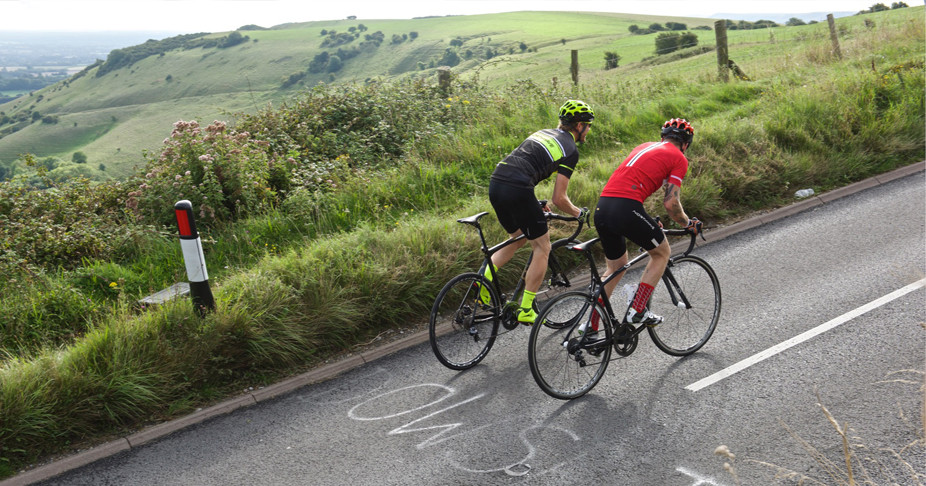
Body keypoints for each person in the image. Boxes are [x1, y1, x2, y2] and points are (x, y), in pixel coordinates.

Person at [482, 100, 594, 325]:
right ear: (579, 126)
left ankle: (482, 282)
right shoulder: (570, 149)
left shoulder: (542, 133)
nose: (588, 130)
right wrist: (578, 213)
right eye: (588, 125)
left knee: (517, 238)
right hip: (519, 188)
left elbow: (522, 167)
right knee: (542, 246)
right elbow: (559, 199)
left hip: (497, 183)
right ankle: (525, 309)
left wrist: (534, 201)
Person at [593, 118, 699, 328]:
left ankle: (590, 326)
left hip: (602, 207)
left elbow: (632, 185)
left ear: (662, 137)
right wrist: (688, 223)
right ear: (685, 145)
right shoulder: (679, 158)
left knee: (615, 268)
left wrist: (648, 222)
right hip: (626, 208)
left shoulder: (643, 147)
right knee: (661, 253)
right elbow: (671, 203)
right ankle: (638, 309)